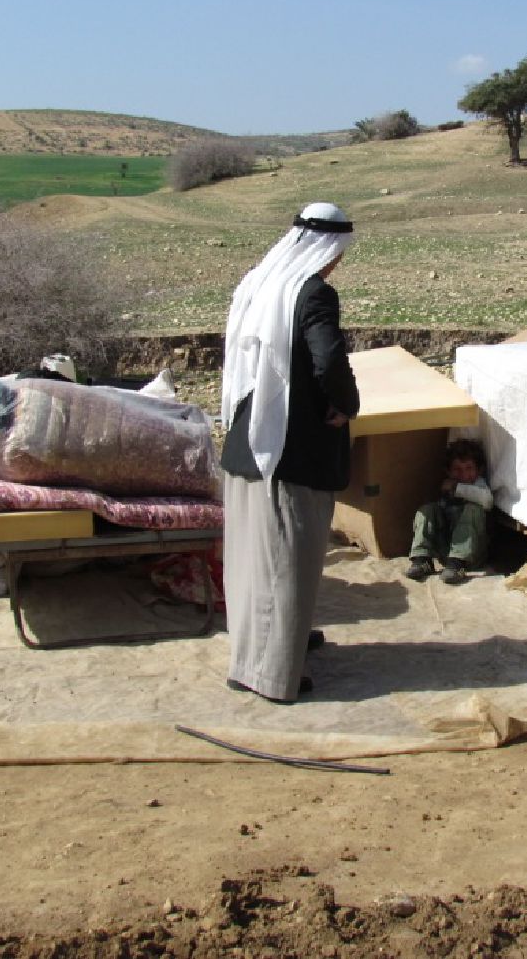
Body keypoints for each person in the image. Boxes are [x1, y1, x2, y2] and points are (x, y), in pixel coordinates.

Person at [218, 202, 360, 704]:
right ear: (330, 248)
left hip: (245, 436)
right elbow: (328, 359)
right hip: (288, 445)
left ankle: (257, 652)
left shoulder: (257, 283)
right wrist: (346, 405)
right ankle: (272, 674)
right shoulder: (313, 294)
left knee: (250, 558)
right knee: (287, 559)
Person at [405, 437, 493, 585]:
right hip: (446, 551)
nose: (464, 475)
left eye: (469, 468)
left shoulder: (479, 486)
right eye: (457, 469)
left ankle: (458, 565)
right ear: (448, 471)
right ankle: (422, 560)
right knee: (428, 510)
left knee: (472, 509)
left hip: (471, 553)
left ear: (479, 470)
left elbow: (487, 501)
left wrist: (457, 488)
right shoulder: (447, 486)